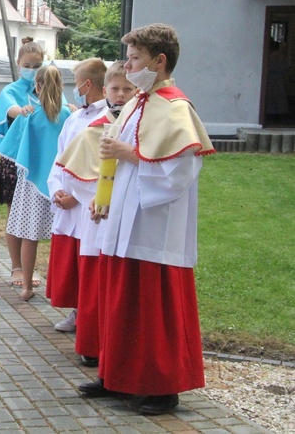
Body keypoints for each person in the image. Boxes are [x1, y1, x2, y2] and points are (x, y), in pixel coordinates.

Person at [77, 23, 215, 416]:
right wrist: (103, 195)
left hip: (154, 222)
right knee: (120, 299)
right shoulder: (139, 102)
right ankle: (117, 375)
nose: (128, 65)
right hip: (124, 215)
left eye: (135, 58)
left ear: (160, 61)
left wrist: (129, 153)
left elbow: (179, 172)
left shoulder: (175, 108)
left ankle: (158, 387)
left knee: (150, 304)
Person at [52, 61, 134, 368]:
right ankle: (91, 342)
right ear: (105, 89)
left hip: (125, 213)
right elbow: (71, 167)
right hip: (93, 214)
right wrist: (79, 193)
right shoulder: (92, 125)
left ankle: (114, 346)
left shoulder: (138, 125)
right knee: (93, 279)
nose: (121, 94)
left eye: (128, 89)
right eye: (115, 88)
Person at [0, 65, 71, 301]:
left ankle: (27, 286)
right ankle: (58, 289)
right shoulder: (69, 115)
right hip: (60, 184)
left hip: (31, 184)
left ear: (37, 87)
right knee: (62, 238)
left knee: (30, 236)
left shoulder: (29, 116)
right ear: (61, 86)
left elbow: (8, 149)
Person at [46, 58, 107, 334]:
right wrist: (57, 188)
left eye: (76, 83)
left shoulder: (105, 119)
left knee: (87, 262)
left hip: (85, 203)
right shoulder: (74, 118)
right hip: (67, 200)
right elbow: (61, 157)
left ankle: (88, 315)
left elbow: (99, 166)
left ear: (88, 84)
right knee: (71, 262)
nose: (74, 88)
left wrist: (78, 196)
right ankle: (75, 310)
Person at [0, 38, 44, 287]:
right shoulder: (11, 90)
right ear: (19, 64)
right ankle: (16, 267)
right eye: (28, 65)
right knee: (15, 215)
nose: (32, 69)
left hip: (38, 160)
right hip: (14, 161)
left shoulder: (46, 89)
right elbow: (7, 109)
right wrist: (20, 110)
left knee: (33, 217)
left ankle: (29, 267)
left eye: (37, 65)